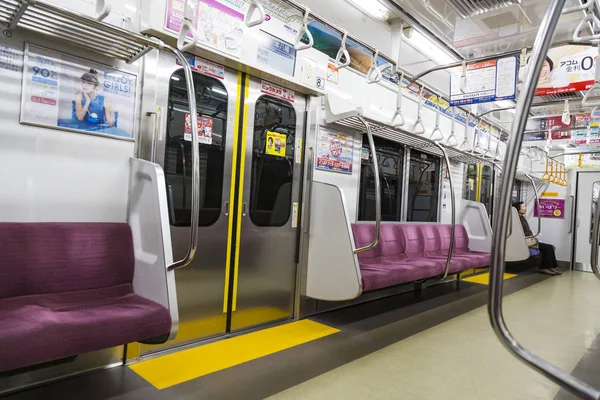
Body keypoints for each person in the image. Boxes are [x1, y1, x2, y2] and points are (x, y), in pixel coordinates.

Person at [512, 202, 562, 276]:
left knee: (550, 247)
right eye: (523, 207)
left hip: (528, 239)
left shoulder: (522, 218)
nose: (525, 208)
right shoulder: (517, 220)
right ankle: (543, 268)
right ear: (517, 209)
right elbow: (520, 233)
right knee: (547, 248)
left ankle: (550, 267)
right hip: (524, 241)